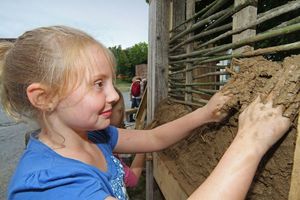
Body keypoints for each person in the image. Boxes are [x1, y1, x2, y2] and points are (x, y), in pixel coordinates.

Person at [0, 26, 290, 200]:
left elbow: (153, 139)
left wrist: (205, 114)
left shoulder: (94, 135)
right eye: (98, 84)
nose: (115, 96)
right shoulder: (52, 186)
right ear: (44, 97)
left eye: (112, 82)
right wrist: (250, 143)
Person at [110, 87, 145, 188]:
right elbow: (131, 180)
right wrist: (143, 151)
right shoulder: (108, 155)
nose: (123, 117)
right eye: (120, 111)